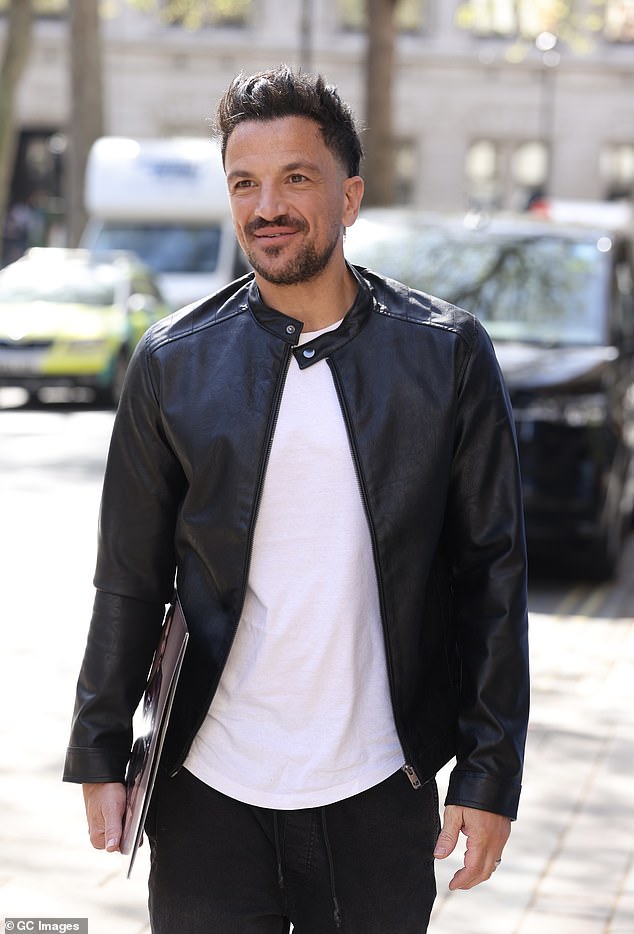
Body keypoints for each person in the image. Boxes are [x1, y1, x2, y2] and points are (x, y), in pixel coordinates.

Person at [64, 66, 529, 934]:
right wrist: (98, 749)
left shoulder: (446, 354)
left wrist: (491, 773)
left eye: (296, 178)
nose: (266, 206)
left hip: (381, 790)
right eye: (244, 182)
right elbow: (128, 577)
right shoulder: (171, 362)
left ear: (349, 196)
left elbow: (492, 577)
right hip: (207, 793)